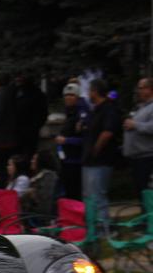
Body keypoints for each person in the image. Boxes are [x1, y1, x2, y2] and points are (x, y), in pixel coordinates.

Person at [82, 78, 121, 228]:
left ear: (95, 91)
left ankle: (104, 229)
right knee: (89, 197)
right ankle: (92, 228)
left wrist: (96, 149)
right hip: (89, 161)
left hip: (100, 160)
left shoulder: (109, 108)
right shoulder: (95, 110)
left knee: (98, 195)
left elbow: (107, 132)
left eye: (90, 90)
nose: (89, 93)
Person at [54, 82, 89, 200]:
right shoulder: (69, 112)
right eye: (66, 95)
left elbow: (86, 139)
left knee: (75, 193)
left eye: (72, 95)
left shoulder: (82, 114)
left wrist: (66, 140)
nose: (68, 98)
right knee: (68, 192)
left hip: (76, 160)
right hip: (66, 159)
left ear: (78, 97)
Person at [123, 77, 153, 194]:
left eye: (141, 88)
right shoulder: (141, 107)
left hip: (147, 158)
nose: (138, 91)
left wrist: (135, 125)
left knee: (147, 194)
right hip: (137, 158)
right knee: (141, 193)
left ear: (150, 89)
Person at [14, 75, 49, 157]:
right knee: (29, 154)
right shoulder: (39, 94)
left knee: (20, 155)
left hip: (22, 131)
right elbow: (43, 114)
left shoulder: (21, 94)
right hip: (32, 131)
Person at [22, 149, 60, 218]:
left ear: (41, 161)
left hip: (43, 218)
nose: (31, 161)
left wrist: (31, 193)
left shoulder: (49, 176)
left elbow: (45, 199)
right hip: (31, 215)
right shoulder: (38, 176)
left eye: (34, 159)